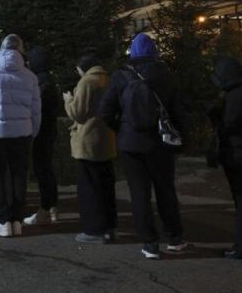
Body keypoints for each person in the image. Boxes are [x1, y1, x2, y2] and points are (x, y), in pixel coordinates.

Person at [100, 33, 186, 260]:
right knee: (166, 190)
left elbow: (105, 111)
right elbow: (178, 113)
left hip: (131, 144)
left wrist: (122, 128)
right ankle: (175, 238)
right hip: (161, 143)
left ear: (133, 51)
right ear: (154, 51)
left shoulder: (121, 76)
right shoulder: (167, 75)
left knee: (139, 194)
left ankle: (150, 243)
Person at [0, 34, 41, 238]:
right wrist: (33, 130)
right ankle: (17, 220)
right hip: (23, 133)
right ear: (20, 50)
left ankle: (3, 220)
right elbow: (36, 109)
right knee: (19, 175)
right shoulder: (30, 76)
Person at [64, 54, 117, 244]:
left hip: (88, 141)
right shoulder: (107, 79)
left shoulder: (86, 82)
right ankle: (109, 227)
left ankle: (93, 230)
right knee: (105, 186)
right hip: (106, 139)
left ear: (82, 68)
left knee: (89, 187)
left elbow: (78, 114)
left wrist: (68, 100)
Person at [24, 47, 61, 226]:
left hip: (41, 132)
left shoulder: (40, 83)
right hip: (49, 130)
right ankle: (52, 206)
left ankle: (46, 208)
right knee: (46, 169)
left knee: (42, 169)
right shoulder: (49, 81)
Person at [210, 56, 242, 260]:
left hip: (237, 154)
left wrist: (216, 114)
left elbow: (229, 124)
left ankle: (240, 248)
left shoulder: (234, 96)